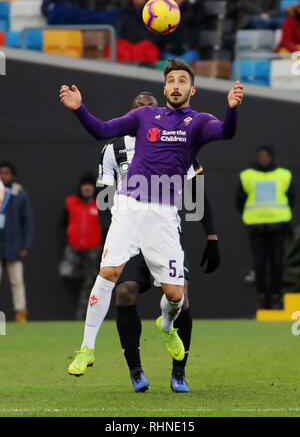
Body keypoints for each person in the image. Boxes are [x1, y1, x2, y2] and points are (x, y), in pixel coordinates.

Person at [60, 58, 243, 388]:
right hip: (129, 205)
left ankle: (166, 326)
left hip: (163, 213)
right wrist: (79, 109)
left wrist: (232, 109)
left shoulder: (198, 122)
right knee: (110, 273)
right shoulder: (144, 116)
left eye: (182, 81)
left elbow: (227, 133)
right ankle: (87, 348)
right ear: (165, 88)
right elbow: (102, 129)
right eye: (171, 80)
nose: (176, 85)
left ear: (192, 89)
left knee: (175, 296)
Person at [236, 145, 295, 309]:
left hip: (277, 227)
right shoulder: (247, 176)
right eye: (260, 156)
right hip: (256, 227)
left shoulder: (284, 175)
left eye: (266, 156)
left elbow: (291, 199)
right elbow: (240, 201)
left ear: (272, 157)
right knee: (260, 263)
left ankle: (275, 295)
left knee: (276, 262)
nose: (263, 159)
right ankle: (262, 295)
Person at [60, 173, 101, 320]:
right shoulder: (71, 202)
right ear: (80, 187)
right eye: (84, 184)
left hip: (93, 249)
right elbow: (63, 222)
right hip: (74, 247)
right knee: (66, 273)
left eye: (90, 184)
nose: (87, 187)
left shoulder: (99, 204)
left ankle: (82, 315)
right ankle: (79, 276)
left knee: (90, 283)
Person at [0, 162, 34, 323]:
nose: (3, 176)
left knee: (17, 281)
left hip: (14, 244)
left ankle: (21, 313)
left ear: (12, 175)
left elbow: (27, 222)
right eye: (1, 173)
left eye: (7, 173)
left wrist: (25, 245)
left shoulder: (19, 194)